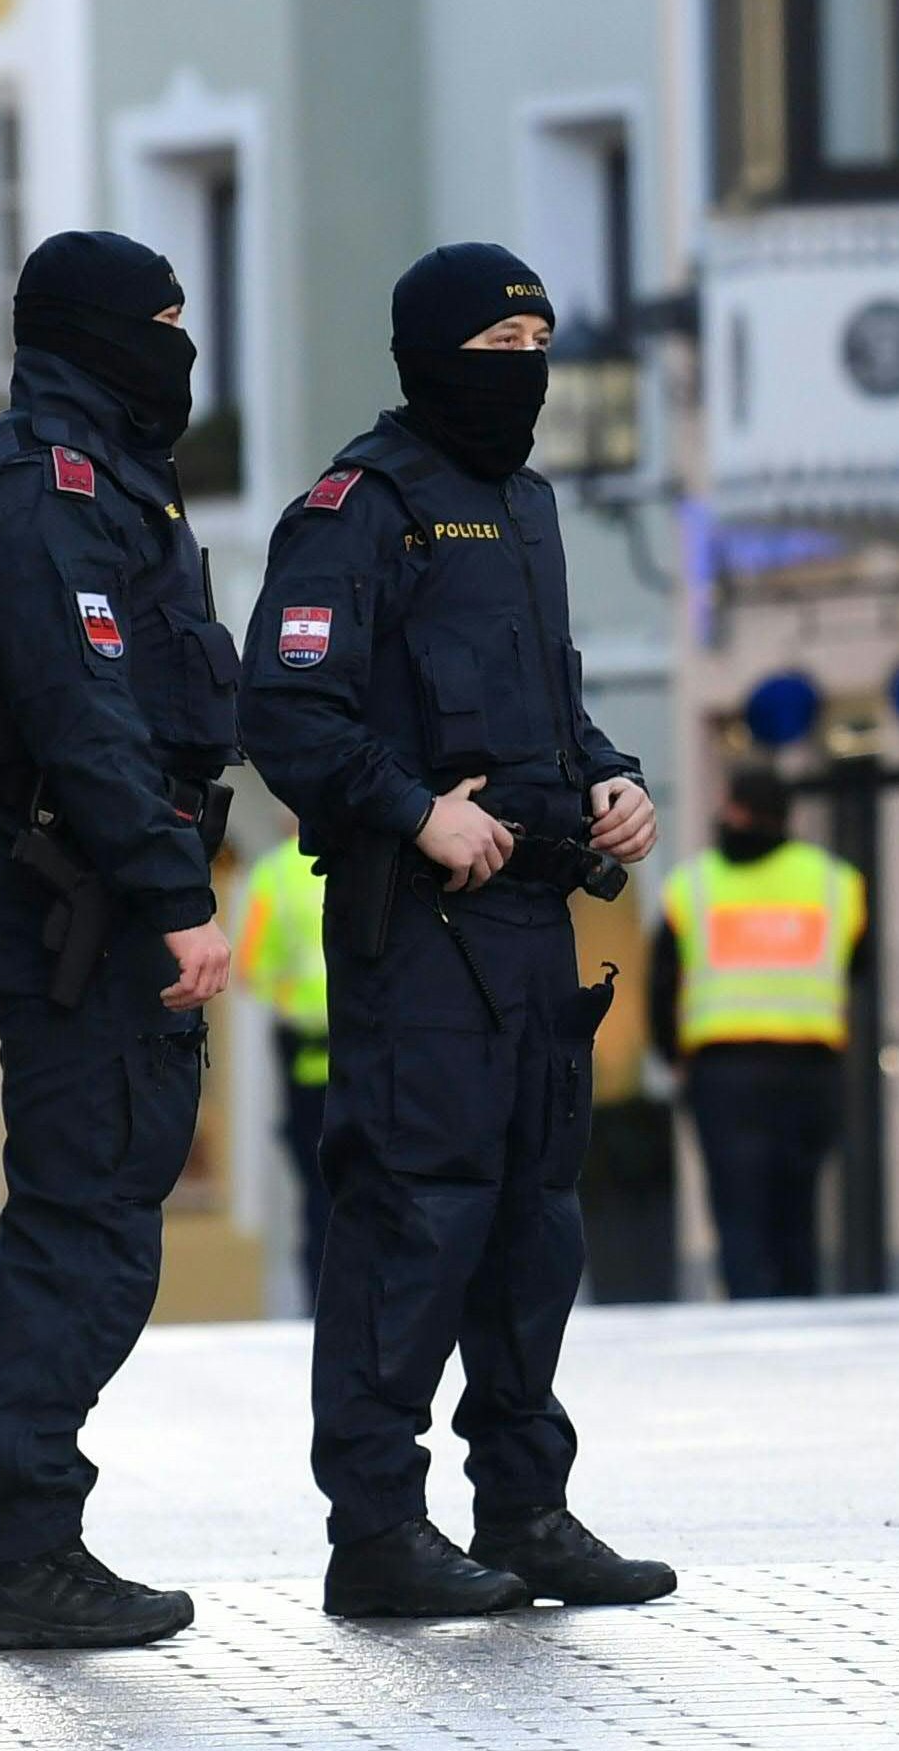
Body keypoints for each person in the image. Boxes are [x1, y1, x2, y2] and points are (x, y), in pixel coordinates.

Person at [238, 242, 676, 1621]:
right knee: (412, 1222)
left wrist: (611, 775)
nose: (525, 372)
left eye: (539, 341)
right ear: (429, 356)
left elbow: (544, 703)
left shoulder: (526, 506)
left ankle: (525, 1510)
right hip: (420, 933)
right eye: (499, 347)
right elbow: (288, 710)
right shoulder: (358, 508)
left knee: (532, 1228)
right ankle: (375, 1530)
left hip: (535, 930)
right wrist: (412, 810)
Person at [0, 229, 237, 1651]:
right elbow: (84, 712)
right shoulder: (44, 492)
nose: (183, 343)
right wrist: (174, 892)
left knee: (101, 1212)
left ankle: (38, 1540)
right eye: (163, 320)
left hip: (95, 879)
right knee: (80, 1222)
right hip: (81, 890)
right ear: (99, 331)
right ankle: (28, 1554)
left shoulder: (108, 481)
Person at [647, 765, 868, 1300]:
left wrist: (670, 1053)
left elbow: (660, 984)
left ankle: (750, 1321)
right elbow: (858, 967)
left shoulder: (692, 886)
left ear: (737, 810)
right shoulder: (836, 882)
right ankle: (799, 1317)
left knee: (738, 1209)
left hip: (725, 1073)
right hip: (810, 1069)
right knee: (798, 1210)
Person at [235, 824, 332, 1303]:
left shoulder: (273, 873)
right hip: (379, 1046)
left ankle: (321, 1300)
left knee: (318, 1186)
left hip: (308, 1051)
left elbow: (252, 971)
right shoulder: (371, 851)